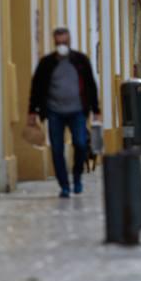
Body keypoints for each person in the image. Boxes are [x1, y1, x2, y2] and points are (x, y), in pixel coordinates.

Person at [27, 27, 101, 198]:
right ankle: (64, 185)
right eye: (59, 43)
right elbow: (36, 88)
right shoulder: (46, 64)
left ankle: (77, 176)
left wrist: (96, 110)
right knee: (57, 149)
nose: (62, 45)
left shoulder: (80, 61)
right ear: (54, 42)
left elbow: (90, 84)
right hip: (54, 112)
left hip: (77, 111)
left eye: (64, 42)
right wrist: (32, 111)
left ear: (70, 42)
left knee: (81, 144)